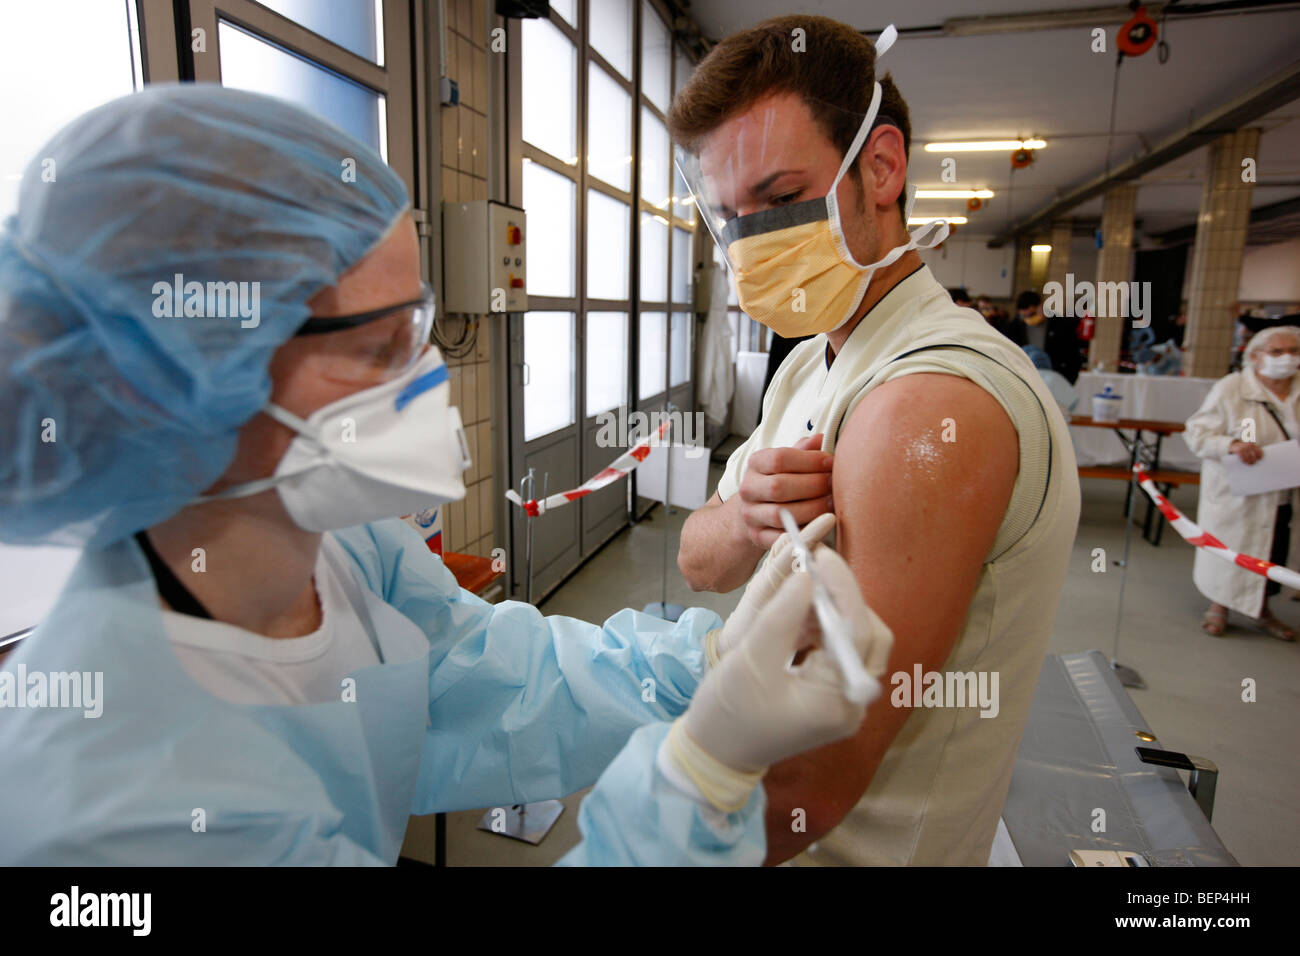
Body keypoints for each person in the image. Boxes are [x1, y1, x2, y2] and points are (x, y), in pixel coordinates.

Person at [0, 85, 891, 865]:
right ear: (186, 374)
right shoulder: (111, 808)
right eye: (378, 344)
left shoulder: (339, 548)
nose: (428, 369)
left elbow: (496, 673)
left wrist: (706, 665)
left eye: (417, 322)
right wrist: (702, 775)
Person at [671, 16, 1080, 865]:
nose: (752, 248)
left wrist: (643, 841)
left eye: (781, 199)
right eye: (730, 216)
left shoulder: (932, 403)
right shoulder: (812, 362)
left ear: (881, 168)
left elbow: (815, 784)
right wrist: (744, 515)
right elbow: (698, 562)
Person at [1184, 325, 1300, 641]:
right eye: (1277, 352)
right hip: (1241, 488)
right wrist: (1232, 445)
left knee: (1274, 549)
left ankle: (1261, 608)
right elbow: (1197, 433)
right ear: (1255, 357)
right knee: (1233, 547)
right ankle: (1219, 605)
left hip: (1286, 490)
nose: (1286, 358)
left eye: (1293, 351)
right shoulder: (1232, 388)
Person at [1018, 289, 1082, 383]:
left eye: (1032, 314)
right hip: (1026, 379)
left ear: (1041, 306)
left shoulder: (1061, 326)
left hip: (1055, 379)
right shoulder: (1016, 328)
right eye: (1024, 316)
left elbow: (1073, 356)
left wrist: (1068, 380)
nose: (1029, 319)